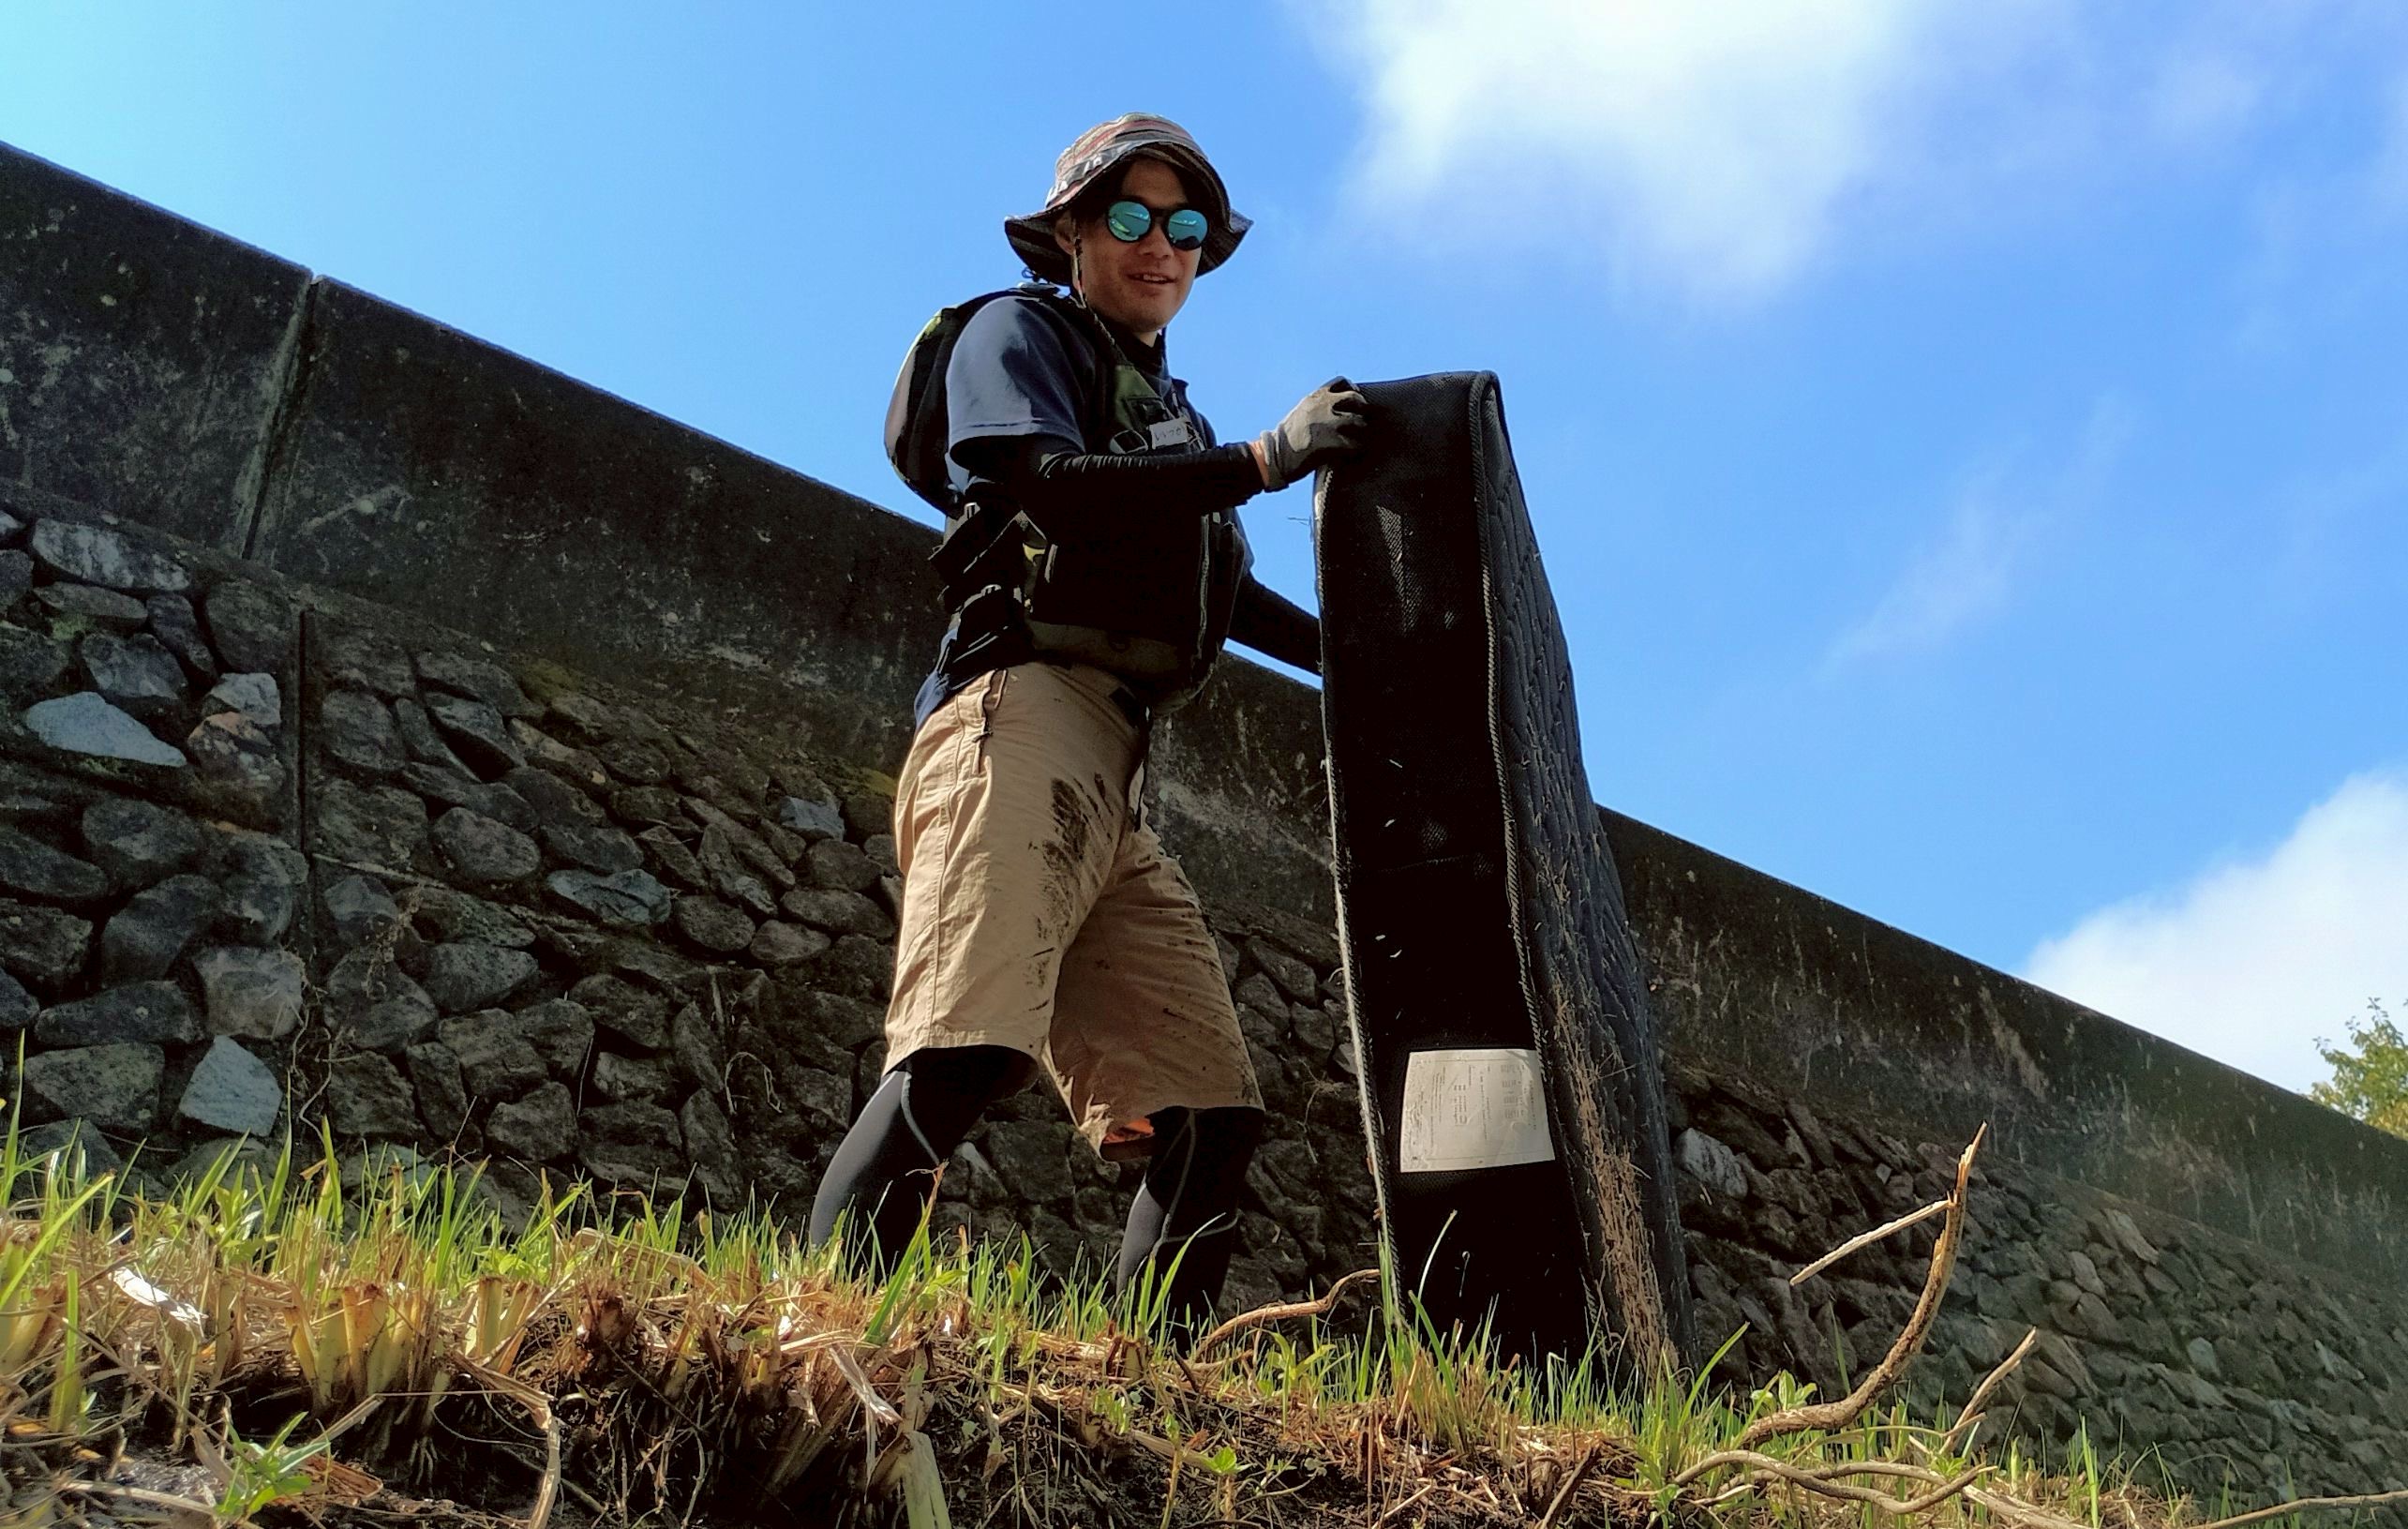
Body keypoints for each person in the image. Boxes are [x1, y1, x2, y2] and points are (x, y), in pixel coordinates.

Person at [808, 114, 1367, 1329]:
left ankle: (1147, 1389)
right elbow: (1036, 482)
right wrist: (1265, 461)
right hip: (1014, 717)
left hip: (1114, 774)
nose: (1158, 245)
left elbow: (1224, 586)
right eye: (1127, 217)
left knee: (1208, 1114)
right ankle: (820, 1349)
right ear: (1067, 233)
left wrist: (1362, 658)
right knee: (963, 1049)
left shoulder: (1166, 413)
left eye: (1183, 227)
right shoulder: (1019, 334)